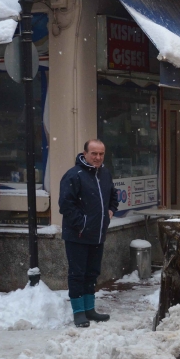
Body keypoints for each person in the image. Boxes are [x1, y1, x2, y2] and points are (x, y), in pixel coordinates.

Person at [60, 139, 119, 328]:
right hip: (77, 235)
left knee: (92, 273)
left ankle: (89, 309)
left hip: (98, 234)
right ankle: (79, 312)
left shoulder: (105, 174)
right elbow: (66, 205)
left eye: (101, 154)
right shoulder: (73, 175)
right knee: (78, 273)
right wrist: (82, 224)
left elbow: (113, 196)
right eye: (94, 153)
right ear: (84, 153)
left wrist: (110, 211)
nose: (98, 157)